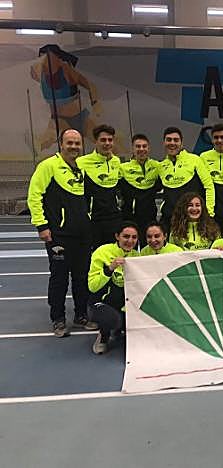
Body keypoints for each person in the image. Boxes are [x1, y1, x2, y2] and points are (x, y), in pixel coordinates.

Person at [27, 128, 97, 337]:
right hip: (59, 235)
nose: (74, 146)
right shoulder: (48, 166)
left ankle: (81, 315)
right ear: (61, 144)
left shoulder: (81, 169)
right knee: (59, 278)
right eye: (70, 142)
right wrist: (41, 226)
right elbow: (34, 195)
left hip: (82, 235)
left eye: (77, 143)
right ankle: (58, 319)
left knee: (81, 277)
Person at [30, 44, 102, 151]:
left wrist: (95, 103)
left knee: (101, 141)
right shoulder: (39, 73)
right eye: (41, 58)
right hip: (58, 118)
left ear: (55, 59)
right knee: (50, 137)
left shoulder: (66, 70)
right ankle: (40, 144)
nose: (43, 62)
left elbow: (91, 86)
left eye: (46, 58)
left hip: (79, 117)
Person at [88, 221, 140, 354]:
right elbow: (93, 286)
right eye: (126, 236)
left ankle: (120, 328)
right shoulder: (102, 252)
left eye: (134, 237)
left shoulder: (136, 256)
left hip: (125, 304)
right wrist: (110, 269)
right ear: (117, 236)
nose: (130, 241)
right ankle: (103, 336)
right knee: (112, 319)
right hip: (102, 302)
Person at [158, 127, 216, 230]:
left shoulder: (195, 160)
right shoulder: (160, 166)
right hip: (170, 221)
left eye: (176, 140)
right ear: (164, 143)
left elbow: (209, 186)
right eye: (169, 140)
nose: (172, 143)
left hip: (193, 220)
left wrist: (209, 213)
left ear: (182, 143)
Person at [77, 124, 122, 248]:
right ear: (95, 141)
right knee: (95, 255)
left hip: (114, 219)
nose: (107, 143)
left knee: (114, 254)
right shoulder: (81, 162)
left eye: (110, 140)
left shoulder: (116, 161)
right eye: (103, 140)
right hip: (94, 220)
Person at [119, 134, 160, 248]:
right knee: (128, 248)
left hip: (150, 216)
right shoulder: (122, 168)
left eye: (144, 146)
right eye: (138, 146)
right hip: (129, 217)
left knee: (149, 248)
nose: (141, 149)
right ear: (132, 149)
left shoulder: (157, 166)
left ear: (149, 148)